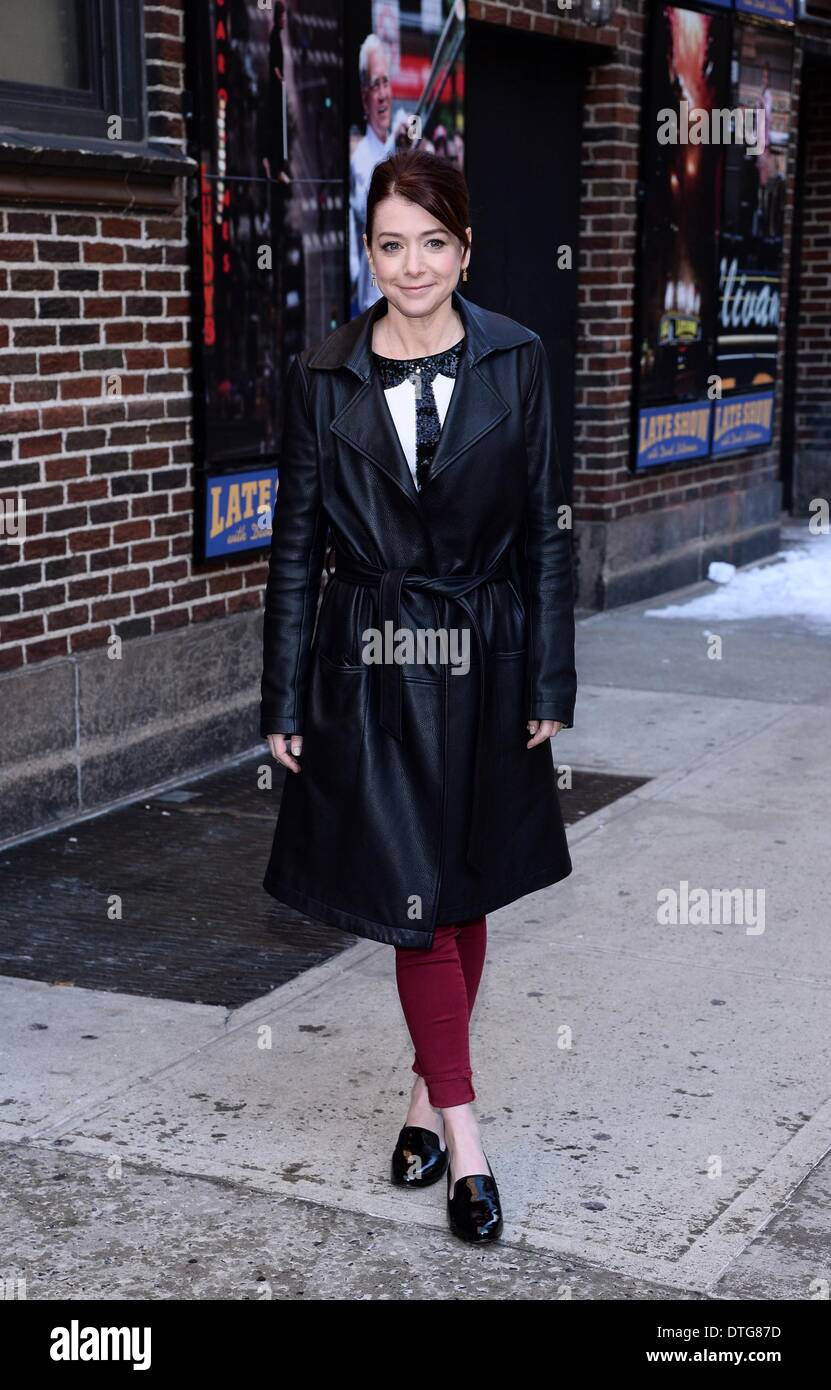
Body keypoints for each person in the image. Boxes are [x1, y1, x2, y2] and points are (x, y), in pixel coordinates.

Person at [261, 147, 577, 1244]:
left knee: (464, 885)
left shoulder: (520, 359)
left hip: (484, 651)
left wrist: (547, 674)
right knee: (413, 901)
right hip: (370, 662)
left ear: (465, 248)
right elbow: (295, 544)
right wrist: (284, 693)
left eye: (432, 243)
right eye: (390, 245)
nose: (412, 266)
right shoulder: (323, 371)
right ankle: (468, 1140)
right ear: (369, 251)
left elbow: (544, 528)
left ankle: (417, 1100)